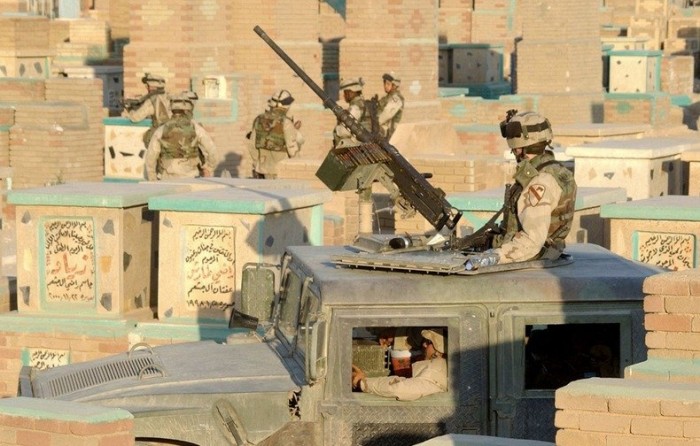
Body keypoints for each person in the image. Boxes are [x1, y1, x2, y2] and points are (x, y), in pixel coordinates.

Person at [464, 110, 577, 270]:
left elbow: (531, 242)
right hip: (538, 253)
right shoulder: (555, 170)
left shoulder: (540, 182)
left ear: (519, 147)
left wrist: (492, 258)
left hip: (527, 258)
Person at [352, 328, 447, 401]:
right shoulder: (440, 365)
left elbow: (398, 388)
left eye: (429, 342)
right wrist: (396, 334)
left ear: (441, 352)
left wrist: (362, 383)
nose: (424, 345)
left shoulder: (435, 372)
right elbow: (415, 335)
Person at [145, 91, 218, 181]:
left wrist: (152, 179)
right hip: (192, 178)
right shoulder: (195, 127)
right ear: (188, 109)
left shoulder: (161, 129)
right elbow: (212, 150)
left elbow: (150, 158)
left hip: (167, 179)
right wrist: (209, 168)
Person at [247, 90, 304, 179]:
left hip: (261, 170)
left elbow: (252, 145)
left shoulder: (259, 119)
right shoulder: (286, 122)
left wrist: (257, 164)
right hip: (280, 171)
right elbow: (292, 150)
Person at [122, 73, 172, 147]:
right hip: (172, 134)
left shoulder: (153, 100)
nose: (146, 87)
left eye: (147, 85)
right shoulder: (168, 96)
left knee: (147, 138)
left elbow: (135, 118)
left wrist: (129, 110)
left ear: (152, 87)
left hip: (161, 135)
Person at [333, 77, 375, 148]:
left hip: (360, 143)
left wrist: (336, 130)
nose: (344, 95)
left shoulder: (356, 107)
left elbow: (346, 131)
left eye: (345, 92)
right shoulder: (363, 103)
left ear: (351, 92)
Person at [377, 72, 404, 140]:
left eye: (388, 84)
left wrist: (373, 124)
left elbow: (386, 115)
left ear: (394, 86)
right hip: (382, 132)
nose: (385, 86)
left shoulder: (396, 99)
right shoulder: (386, 98)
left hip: (390, 135)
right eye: (385, 83)